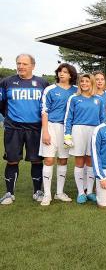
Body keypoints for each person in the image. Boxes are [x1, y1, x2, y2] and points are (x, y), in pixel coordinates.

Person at [0, 54, 49, 205]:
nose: (21, 66)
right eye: (18, 63)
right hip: (13, 128)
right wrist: (9, 117)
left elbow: (47, 105)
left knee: (36, 161)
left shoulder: (42, 83)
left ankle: (37, 191)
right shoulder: (7, 82)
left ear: (33, 66)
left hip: (35, 128)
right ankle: (9, 194)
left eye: (24, 64)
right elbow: (1, 104)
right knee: (12, 160)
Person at [38, 63, 78, 205]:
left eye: (65, 72)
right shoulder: (50, 89)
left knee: (63, 160)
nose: (62, 74)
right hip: (51, 127)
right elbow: (44, 111)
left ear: (71, 75)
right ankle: (47, 194)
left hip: (67, 130)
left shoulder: (76, 90)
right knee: (49, 160)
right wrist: (45, 132)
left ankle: (59, 192)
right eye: (60, 71)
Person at [64, 73, 106, 204]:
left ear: (91, 83)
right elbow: (68, 118)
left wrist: (102, 135)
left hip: (94, 131)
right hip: (78, 130)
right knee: (79, 161)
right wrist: (67, 135)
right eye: (82, 81)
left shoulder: (99, 99)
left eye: (87, 81)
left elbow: (102, 119)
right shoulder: (74, 98)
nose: (84, 84)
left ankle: (90, 192)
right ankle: (81, 192)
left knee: (91, 161)